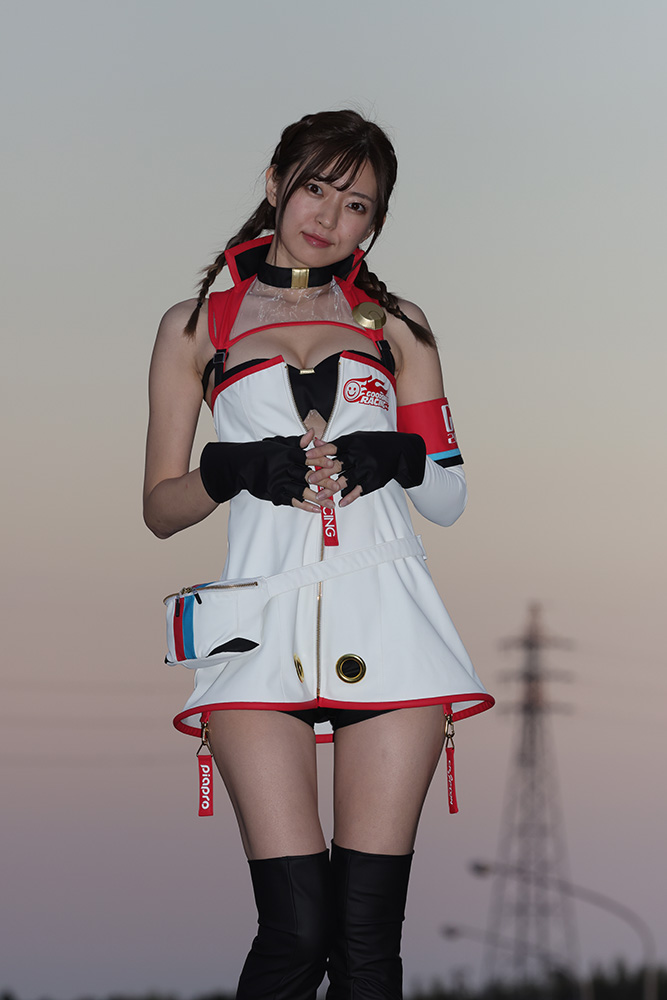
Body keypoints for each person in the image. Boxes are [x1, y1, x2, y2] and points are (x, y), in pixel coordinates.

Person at [143, 110, 493, 1000]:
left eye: (357, 205)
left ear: (375, 223)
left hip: (391, 625)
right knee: (296, 931)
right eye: (315, 189)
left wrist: (402, 456)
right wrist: (226, 470)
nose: (329, 217)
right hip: (257, 630)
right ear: (275, 183)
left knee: (367, 943)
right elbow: (158, 508)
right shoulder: (195, 328)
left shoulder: (398, 325)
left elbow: (449, 499)